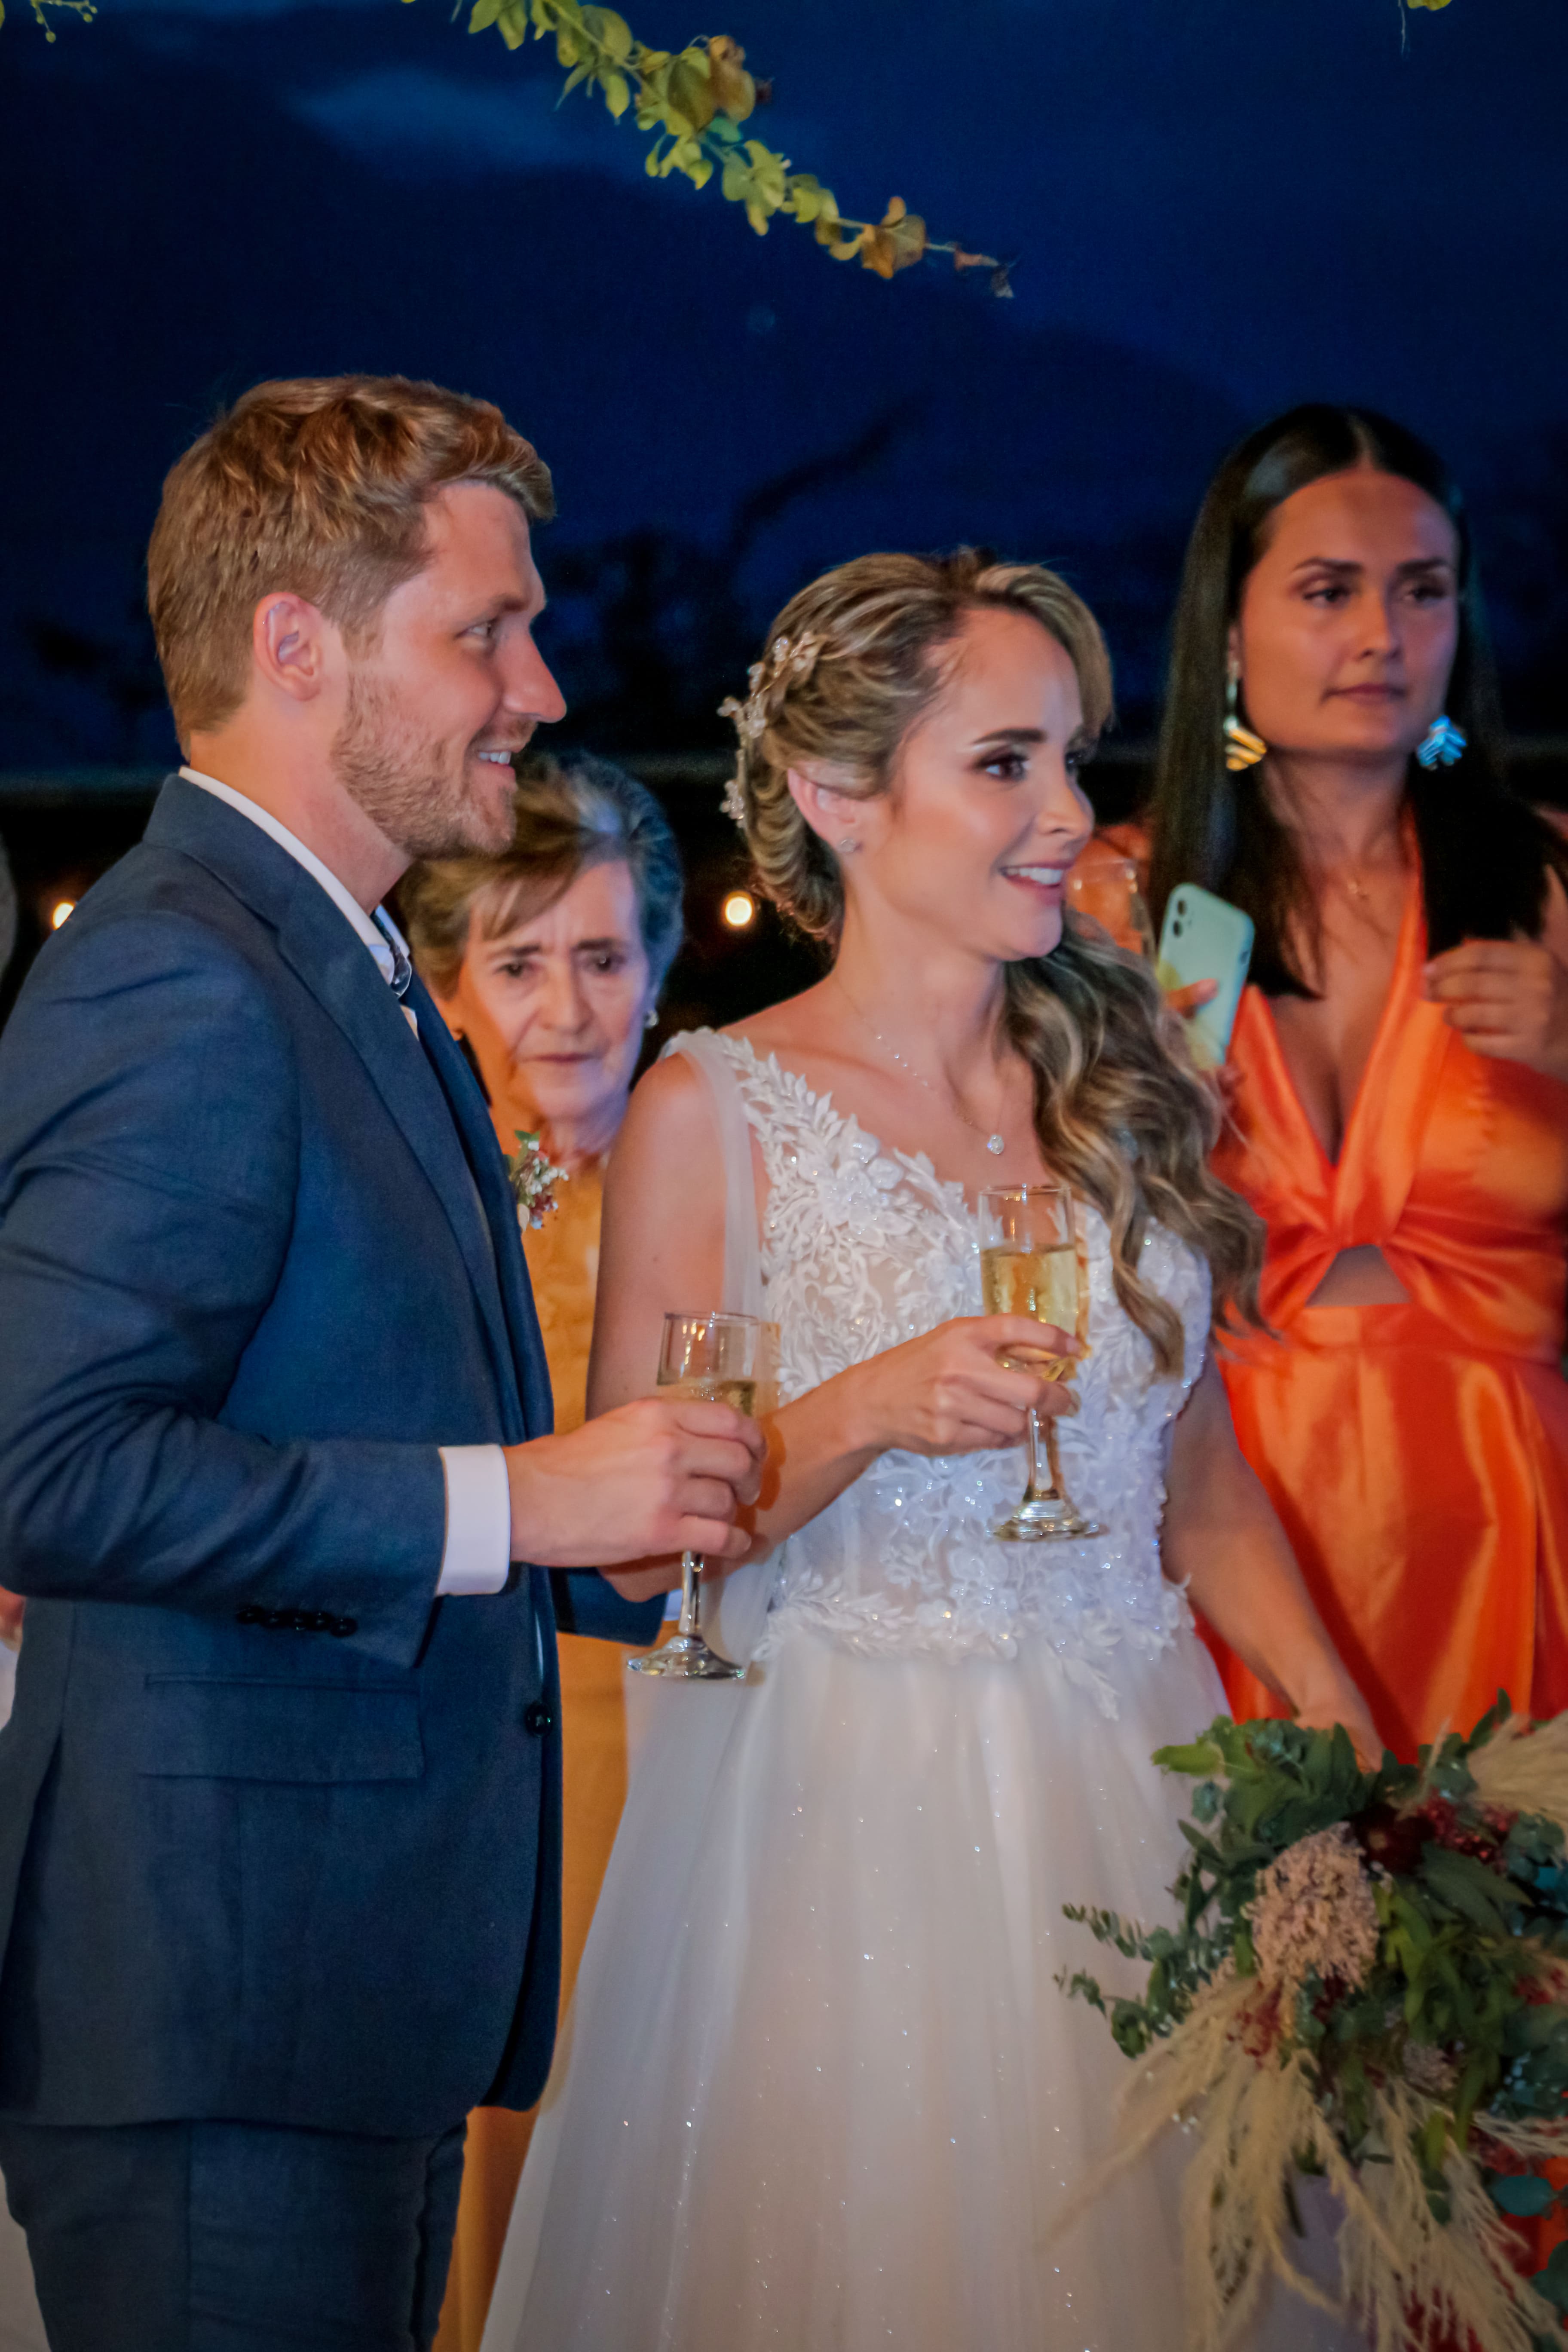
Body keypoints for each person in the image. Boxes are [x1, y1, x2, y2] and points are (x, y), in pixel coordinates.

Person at [480, 550, 1376, 2352]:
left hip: (1142, 1775)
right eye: (1005, 765)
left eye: (1072, 760)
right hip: (852, 1825)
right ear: (839, 796)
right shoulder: (713, 1111)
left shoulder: (1122, 1081)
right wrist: (865, 1411)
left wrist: (1340, 1723)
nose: (1070, 817)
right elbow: (643, 1547)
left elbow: (1194, 1484)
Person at [0, 373, 763, 2352]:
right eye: (486, 632)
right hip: (221, 2020)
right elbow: (44, 1468)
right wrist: (522, 1499)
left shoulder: (360, 974)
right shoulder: (178, 968)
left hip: (345, 2007)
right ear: (297, 648)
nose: (540, 688)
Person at [1145, 404, 1568, 1763]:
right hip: (1223, 1536)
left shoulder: (1551, 887)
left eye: (1423, 591)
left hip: (1513, 1524)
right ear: (1228, 628)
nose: (1384, 635)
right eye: (1329, 592)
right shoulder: (1119, 908)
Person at [401, 753, 684, 2352]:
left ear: (657, 970)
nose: (568, 1010)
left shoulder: (727, 1191)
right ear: (452, 987)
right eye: (518, 964)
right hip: (485, 1748)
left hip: (700, 1735)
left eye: (602, 957)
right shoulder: (411, 1211)